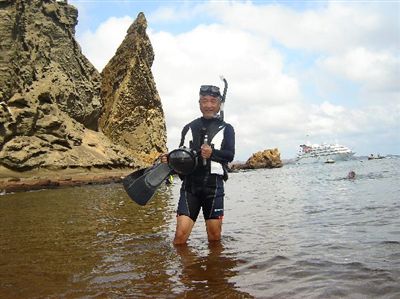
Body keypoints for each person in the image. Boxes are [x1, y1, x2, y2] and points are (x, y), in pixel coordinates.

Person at [162, 84, 235, 245]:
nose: (208, 105)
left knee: (214, 238)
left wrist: (212, 153)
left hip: (213, 188)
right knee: (180, 238)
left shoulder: (227, 128)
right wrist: (170, 159)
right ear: (199, 103)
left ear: (219, 104)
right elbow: (182, 156)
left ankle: (213, 269)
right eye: (204, 101)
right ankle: (186, 270)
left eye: (213, 101)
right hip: (190, 187)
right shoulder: (188, 128)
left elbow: (230, 155)